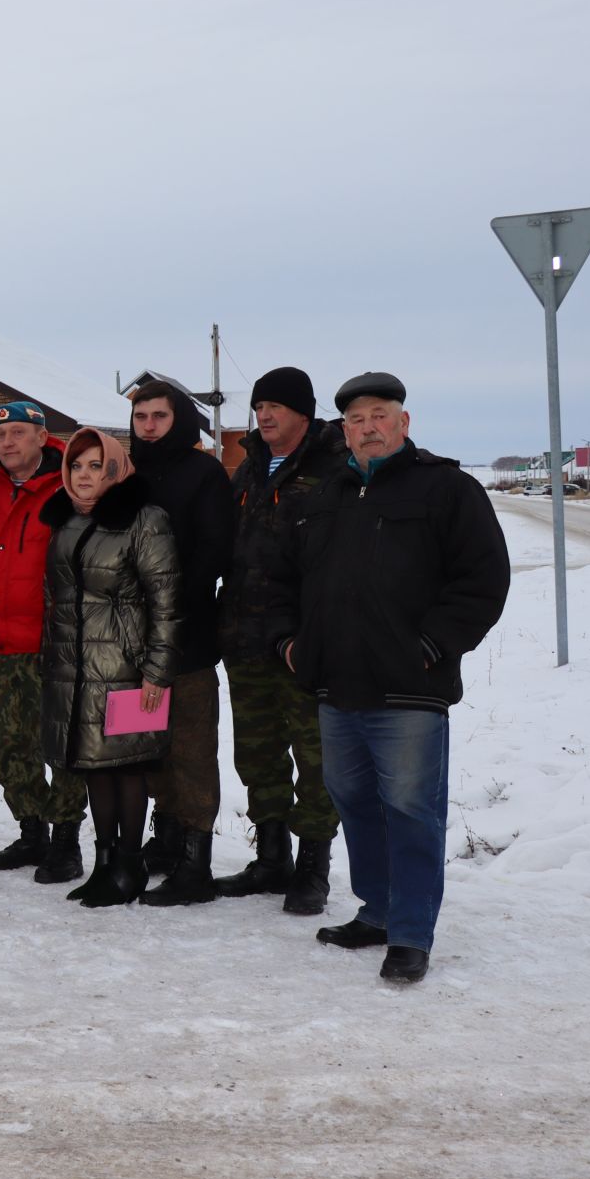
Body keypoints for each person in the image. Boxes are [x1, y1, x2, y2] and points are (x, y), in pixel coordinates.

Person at [271, 373, 509, 984]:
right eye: (356, 419)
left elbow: (482, 579)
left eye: (380, 415)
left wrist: (431, 645)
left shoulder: (446, 489)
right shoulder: (326, 495)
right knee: (354, 804)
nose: (369, 427)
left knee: (409, 809)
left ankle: (408, 933)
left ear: (404, 423)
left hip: (409, 686)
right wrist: (292, 645)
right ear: (342, 431)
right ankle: (377, 911)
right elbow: (281, 579)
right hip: (335, 684)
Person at [215, 368, 346, 913]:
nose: (264, 416)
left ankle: (313, 868)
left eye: (275, 406)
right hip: (244, 638)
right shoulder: (247, 468)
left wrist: (312, 635)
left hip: (301, 644)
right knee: (258, 753)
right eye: (259, 406)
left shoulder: (332, 468)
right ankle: (272, 858)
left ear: (304, 413)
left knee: (316, 759)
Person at [38, 428, 181, 908]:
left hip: (128, 668)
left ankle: (129, 864)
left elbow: (165, 602)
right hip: (76, 670)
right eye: (77, 466)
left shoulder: (144, 520)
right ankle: (104, 862)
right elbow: (56, 601)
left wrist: (157, 672)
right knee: (94, 767)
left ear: (116, 470)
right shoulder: (66, 521)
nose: (83, 476)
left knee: (129, 768)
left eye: (95, 466)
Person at [125, 381, 233, 908]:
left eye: (159, 416)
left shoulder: (205, 473)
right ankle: (164, 842)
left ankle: (196, 862)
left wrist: (165, 600)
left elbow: (214, 552)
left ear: (180, 419)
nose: (148, 425)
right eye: (141, 416)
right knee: (148, 748)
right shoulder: (127, 473)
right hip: (132, 642)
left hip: (186, 638)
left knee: (190, 751)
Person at [0, 402, 84, 883]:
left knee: (63, 744)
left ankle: (66, 841)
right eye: (0, 435)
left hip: (54, 643)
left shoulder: (69, 489)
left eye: (18, 433)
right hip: (2, 643)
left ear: (42, 437)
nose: (8, 443)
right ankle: (31, 830)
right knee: (10, 746)